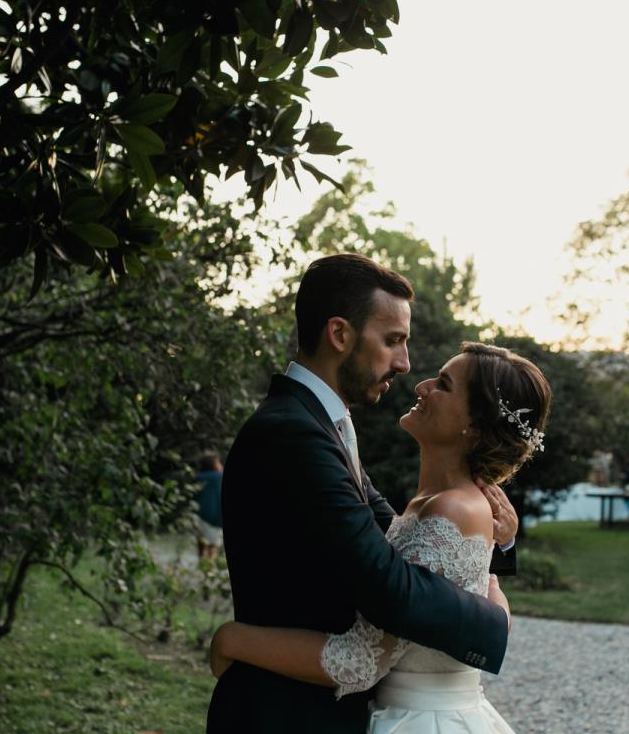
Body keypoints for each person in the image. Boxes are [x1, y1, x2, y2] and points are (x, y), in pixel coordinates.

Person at [207, 254, 521, 733]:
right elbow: (386, 583)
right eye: (393, 340)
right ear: (340, 335)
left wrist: (494, 549)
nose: (405, 363)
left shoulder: (320, 425)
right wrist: (493, 619)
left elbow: (403, 544)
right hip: (283, 713)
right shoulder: (295, 434)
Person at [192, 451, 224, 561]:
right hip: (214, 516)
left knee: (202, 544)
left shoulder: (197, 478)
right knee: (213, 545)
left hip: (199, 515)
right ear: (214, 465)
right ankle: (210, 569)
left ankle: (201, 563)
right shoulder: (219, 477)